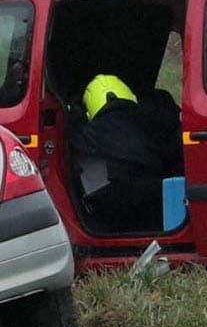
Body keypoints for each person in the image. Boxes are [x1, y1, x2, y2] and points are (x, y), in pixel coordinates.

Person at [71, 73, 184, 232]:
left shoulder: (87, 135)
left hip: (115, 215)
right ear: (131, 97)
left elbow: (93, 188)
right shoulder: (155, 123)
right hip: (162, 204)